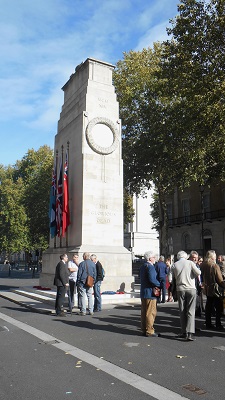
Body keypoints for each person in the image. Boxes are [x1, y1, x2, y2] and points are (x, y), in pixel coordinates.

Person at [171, 250, 201, 341]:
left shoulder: (174, 265)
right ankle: (190, 333)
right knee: (190, 311)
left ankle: (183, 331)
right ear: (186, 256)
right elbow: (198, 272)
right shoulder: (190, 263)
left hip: (180, 289)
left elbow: (170, 279)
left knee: (182, 310)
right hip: (191, 288)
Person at [201, 250, 225, 330]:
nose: (215, 257)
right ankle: (218, 323)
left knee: (209, 305)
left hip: (207, 288)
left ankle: (208, 322)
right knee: (218, 306)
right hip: (215, 289)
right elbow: (219, 279)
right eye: (215, 255)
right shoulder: (214, 266)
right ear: (212, 257)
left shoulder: (203, 264)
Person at [140, 251, 161, 337]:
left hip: (143, 292)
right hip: (150, 292)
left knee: (144, 312)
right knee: (151, 312)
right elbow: (152, 280)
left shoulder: (143, 266)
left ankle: (144, 329)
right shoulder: (151, 267)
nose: (155, 258)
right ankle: (149, 330)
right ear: (150, 258)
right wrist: (159, 284)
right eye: (153, 257)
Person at [189, 250, 203, 317]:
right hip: (192, 286)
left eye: (197, 258)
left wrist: (201, 282)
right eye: (194, 257)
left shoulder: (197, 266)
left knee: (198, 302)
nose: (196, 259)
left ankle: (198, 313)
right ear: (190, 257)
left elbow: (200, 275)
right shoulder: (189, 265)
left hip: (198, 285)